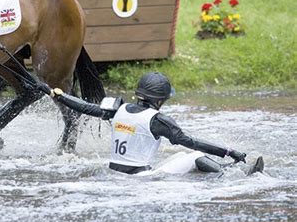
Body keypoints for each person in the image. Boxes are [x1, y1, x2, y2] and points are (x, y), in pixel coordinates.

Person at [42, 72, 247, 175]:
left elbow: (85, 107)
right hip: (141, 178)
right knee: (194, 156)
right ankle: (228, 172)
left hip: (114, 173)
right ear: (160, 100)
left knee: (182, 157)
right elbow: (192, 143)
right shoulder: (158, 120)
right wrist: (228, 151)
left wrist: (58, 95)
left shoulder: (117, 109)